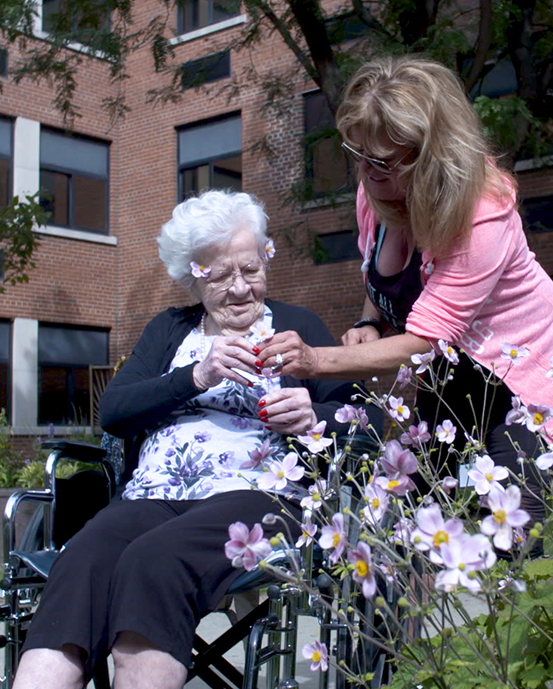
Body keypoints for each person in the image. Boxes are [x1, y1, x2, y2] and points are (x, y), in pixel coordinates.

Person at [13, 190, 379, 689]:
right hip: (152, 497)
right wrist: (195, 376)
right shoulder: (169, 331)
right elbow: (114, 412)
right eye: (221, 275)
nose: (240, 288)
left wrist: (316, 415)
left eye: (250, 270)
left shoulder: (297, 326)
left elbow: (368, 421)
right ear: (193, 277)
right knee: (84, 557)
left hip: (257, 498)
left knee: (154, 560)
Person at [257, 55, 553, 519]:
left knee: (514, 534)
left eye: (383, 160)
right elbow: (383, 281)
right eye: (357, 154)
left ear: (432, 151)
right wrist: (368, 320)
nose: (368, 172)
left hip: (522, 383)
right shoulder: (374, 192)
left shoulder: (483, 212)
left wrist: (315, 359)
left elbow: (428, 338)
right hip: (447, 384)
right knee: (417, 531)